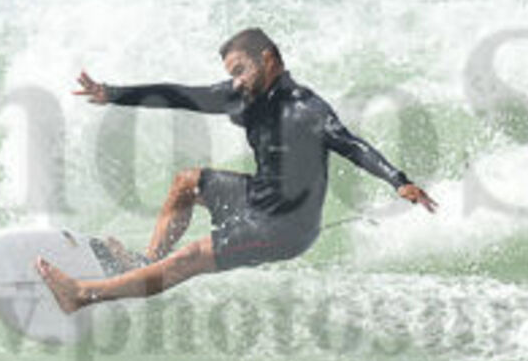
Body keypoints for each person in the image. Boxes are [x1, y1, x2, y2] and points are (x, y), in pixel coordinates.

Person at [35, 27, 437, 313]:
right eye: (232, 74)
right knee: (187, 182)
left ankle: (82, 295)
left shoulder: (306, 108)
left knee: (190, 258)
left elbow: (351, 144)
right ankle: (144, 266)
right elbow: (179, 95)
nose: (236, 81)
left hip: (285, 227)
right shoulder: (241, 96)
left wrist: (399, 181)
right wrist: (112, 93)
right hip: (258, 197)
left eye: (241, 70)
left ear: (268, 60)